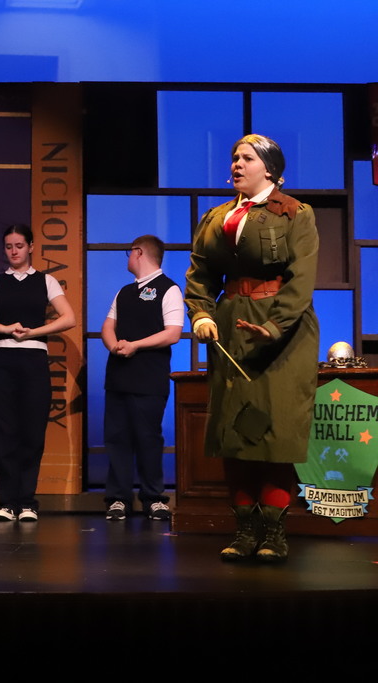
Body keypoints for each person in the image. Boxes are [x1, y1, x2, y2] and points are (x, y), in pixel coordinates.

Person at [185, 134, 319, 562]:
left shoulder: (295, 213)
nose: (237, 164)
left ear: (270, 168)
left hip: (282, 331)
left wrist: (275, 326)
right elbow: (200, 273)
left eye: (247, 157)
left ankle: (274, 531)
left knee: (275, 428)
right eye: (234, 157)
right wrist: (201, 314)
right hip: (231, 327)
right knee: (235, 430)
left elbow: (301, 278)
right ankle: (245, 529)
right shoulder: (217, 217)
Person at [0, 224, 76, 522]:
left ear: (31, 247)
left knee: (32, 430)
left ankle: (27, 502)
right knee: (4, 430)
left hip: (34, 358)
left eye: (19, 245)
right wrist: (4, 328)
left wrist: (33, 332)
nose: (13, 251)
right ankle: (7, 502)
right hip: (2, 359)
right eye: (9, 246)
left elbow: (69, 318)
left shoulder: (46, 280)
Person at [101, 235, 182, 521]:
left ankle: (153, 497)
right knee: (117, 439)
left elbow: (172, 333)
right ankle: (118, 498)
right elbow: (108, 326)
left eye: (129, 252)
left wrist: (135, 345)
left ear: (138, 252)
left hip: (149, 378)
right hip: (118, 377)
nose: (128, 257)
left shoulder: (169, 289)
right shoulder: (124, 292)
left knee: (148, 438)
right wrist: (115, 346)